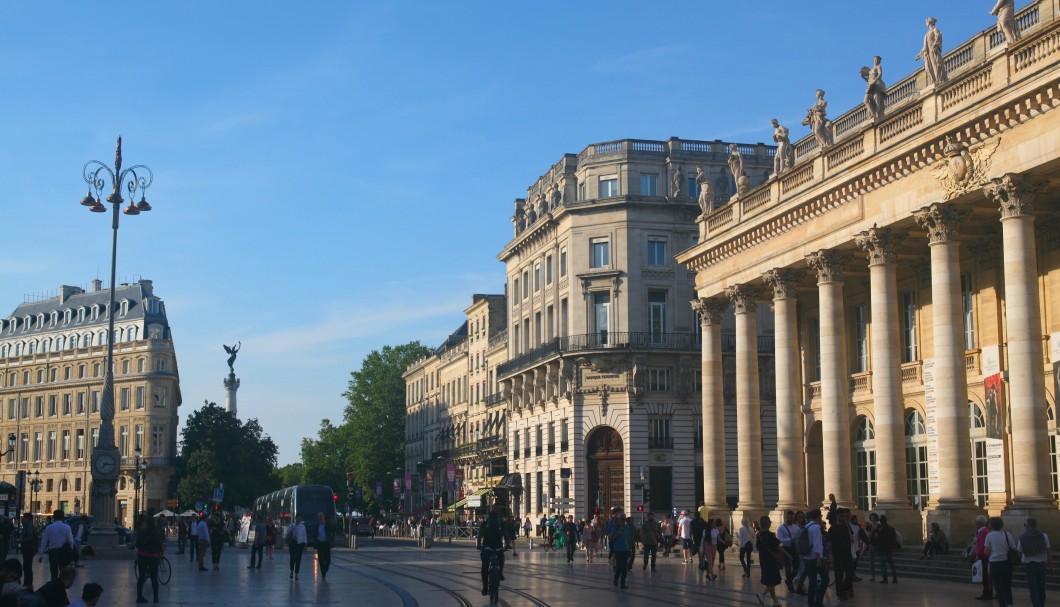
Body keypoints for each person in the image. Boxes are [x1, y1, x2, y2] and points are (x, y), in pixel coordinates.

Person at [476, 506, 511, 596]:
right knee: (501, 558)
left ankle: (485, 587)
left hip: (487, 547)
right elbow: (506, 535)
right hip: (498, 547)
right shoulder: (500, 523)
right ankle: (500, 572)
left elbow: (480, 536)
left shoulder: (485, 523)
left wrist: (479, 545)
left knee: (485, 567)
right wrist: (507, 544)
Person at [1018, 517, 1052, 607]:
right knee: (1041, 588)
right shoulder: (1044, 536)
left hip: (1029, 565)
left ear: (1027, 526)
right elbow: (1048, 551)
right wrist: (1050, 565)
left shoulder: (1022, 537)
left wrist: (1022, 563)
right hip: (1041, 565)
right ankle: (1041, 604)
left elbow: (1020, 552)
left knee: (1033, 589)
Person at [983, 516, 1015, 607]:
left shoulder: (989, 535)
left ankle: (1002, 604)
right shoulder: (1007, 534)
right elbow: (1013, 547)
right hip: (1006, 562)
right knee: (1007, 586)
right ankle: (1009, 603)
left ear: (991, 525)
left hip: (995, 563)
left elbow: (987, 552)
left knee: (998, 586)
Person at [756, 516, 786, 607]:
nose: (771, 523)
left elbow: (757, 547)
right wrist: (788, 555)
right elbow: (778, 546)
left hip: (763, 559)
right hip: (771, 560)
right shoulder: (770, 535)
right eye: (770, 522)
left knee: (770, 581)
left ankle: (775, 601)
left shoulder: (759, 535)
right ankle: (762, 595)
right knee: (775, 580)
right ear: (767, 523)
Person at [36, 511, 74, 582]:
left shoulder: (49, 528)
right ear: (62, 517)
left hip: (53, 552)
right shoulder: (67, 527)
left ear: (54, 517)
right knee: (63, 573)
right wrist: (70, 551)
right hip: (64, 553)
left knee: (53, 573)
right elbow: (71, 541)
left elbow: (44, 542)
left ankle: (54, 587)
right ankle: (62, 588)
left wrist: (41, 555)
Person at [828, 508, 856, 601]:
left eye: (845, 516)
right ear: (837, 516)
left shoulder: (846, 525)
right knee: (839, 575)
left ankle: (847, 588)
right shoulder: (833, 528)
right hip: (838, 554)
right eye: (841, 516)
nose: (844, 518)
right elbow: (830, 542)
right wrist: (831, 555)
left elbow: (852, 537)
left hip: (847, 553)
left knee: (850, 573)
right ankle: (840, 594)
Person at [135, 517, 163, 604]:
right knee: (154, 577)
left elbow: (137, 545)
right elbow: (160, 544)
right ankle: (155, 598)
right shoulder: (156, 532)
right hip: (154, 557)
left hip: (143, 556)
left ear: (146, 523)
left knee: (141, 577)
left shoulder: (141, 532)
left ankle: (139, 597)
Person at [915, 17, 947, 87]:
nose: (926, 23)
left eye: (926, 22)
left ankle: (938, 80)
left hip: (934, 51)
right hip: (929, 53)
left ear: (929, 22)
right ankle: (934, 80)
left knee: (936, 66)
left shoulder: (935, 30)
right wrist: (920, 54)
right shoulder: (927, 33)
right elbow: (925, 46)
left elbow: (938, 38)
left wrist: (934, 45)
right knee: (928, 67)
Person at [776, 510, 799, 591]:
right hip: (786, 548)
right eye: (791, 518)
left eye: (793, 518)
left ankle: (789, 580)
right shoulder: (781, 528)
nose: (792, 519)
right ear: (787, 517)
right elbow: (779, 539)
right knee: (788, 567)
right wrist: (790, 540)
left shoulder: (796, 527)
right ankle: (790, 585)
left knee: (797, 566)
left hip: (794, 548)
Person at [973, 514, 994, 601]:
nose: (975, 524)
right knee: (985, 576)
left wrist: (978, 554)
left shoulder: (983, 532)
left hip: (983, 556)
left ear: (979, 523)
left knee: (985, 576)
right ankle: (987, 593)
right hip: (984, 556)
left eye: (976, 522)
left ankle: (987, 594)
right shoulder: (984, 531)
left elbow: (982, 545)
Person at [608, 514, 631, 589]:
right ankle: (616, 577)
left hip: (626, 549)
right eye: (622, 519)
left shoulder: (627, 528)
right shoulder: (614, 528)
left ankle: (622, 583)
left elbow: (628, 538)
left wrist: (630, 548)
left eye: (624, 519)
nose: (623, 521)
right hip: (618, 550)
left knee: (624, 567)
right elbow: (610, 538)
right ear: (619, 520)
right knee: (619, 566)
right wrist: (618, 534)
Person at [874, 514, 898, 584]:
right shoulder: (891, 529)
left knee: (883, 564)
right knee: (891, 563)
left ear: (880, 521)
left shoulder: (879, 530)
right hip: (889, 548)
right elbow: (894, 538)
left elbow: (877, 539)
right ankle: (895, 578)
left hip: (882, 548)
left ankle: (885, 578)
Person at [862, 56, 886, 122]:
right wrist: (862, 77)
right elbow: (868, 80)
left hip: (876, 85)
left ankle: (876, 115)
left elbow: (880, 74)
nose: (876, 61)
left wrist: (875, 80)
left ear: (879, 61)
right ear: (873, 61)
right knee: (865, 101)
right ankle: (873, 114)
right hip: (870, 85)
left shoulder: (878, 67)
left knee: (876, 100)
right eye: (875, 60)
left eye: (877, 60)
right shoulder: (870, 71)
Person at [312, 512, 335, 580]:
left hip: (326, 544)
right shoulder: (317, 526)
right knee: (321, 560)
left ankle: (325, 569)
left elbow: (334, 530)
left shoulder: (328, 525)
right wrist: (315, 543)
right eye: (319, 517)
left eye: (321, 516)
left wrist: (335, 523)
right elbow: (314, 535)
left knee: (328, 559)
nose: (320, 518)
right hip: (320, 544)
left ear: (324, 517)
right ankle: (323, 574)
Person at [18, 513, 38, 591]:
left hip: (29, 548)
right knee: (27, 566)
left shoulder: (29, 526)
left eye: (24, 518)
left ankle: (28, 583)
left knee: (27, 566)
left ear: (28, 519)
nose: (22, 519)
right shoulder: (28, 526)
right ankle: (28, 583)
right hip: (29, 548)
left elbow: (30, 537)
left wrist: (20, 540)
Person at [286, 515, 307, 580]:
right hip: (292, 544)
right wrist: (292, 529)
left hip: (300, 544)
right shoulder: (292, 525)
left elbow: (304, 535)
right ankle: (292, 571)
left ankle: (296, 573)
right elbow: (287, 533)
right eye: (298, 518)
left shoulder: (303, 527)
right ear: (296, 518)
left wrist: (305, 545)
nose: (299, 519)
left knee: (298, 559)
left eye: (300, 518)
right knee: (292, 558)